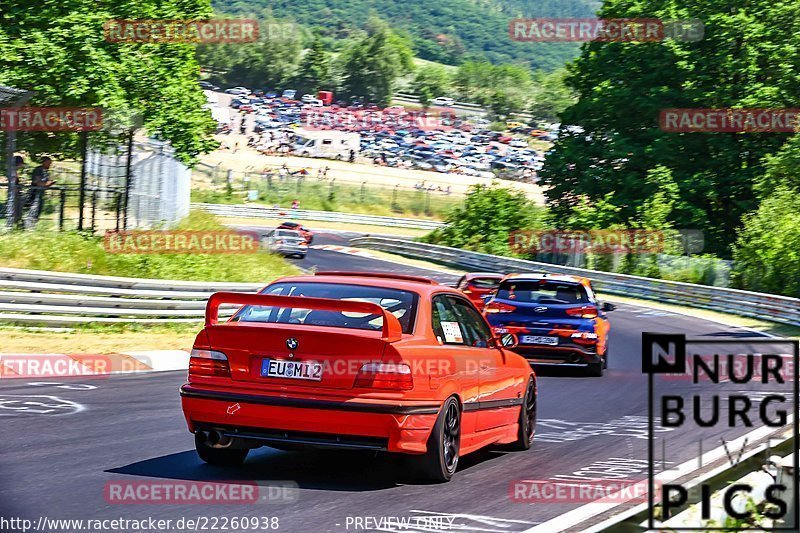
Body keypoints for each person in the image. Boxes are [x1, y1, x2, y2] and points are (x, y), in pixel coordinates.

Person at [26, 156, 54, 228]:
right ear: (44, 162)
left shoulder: (46, 172)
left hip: (41, 194)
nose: (49, 165)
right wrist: (47, 184)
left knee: (38, 210)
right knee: (33, 209)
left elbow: (45, 184)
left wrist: (49, 184)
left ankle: (32, 225)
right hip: (35, 193)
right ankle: (29, 225)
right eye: (48, 163)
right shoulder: (38, 170)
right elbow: (37, 182)